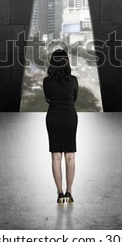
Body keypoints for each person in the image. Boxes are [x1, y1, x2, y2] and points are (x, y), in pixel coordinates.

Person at [43, 49, 78, 205]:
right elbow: (74, 98)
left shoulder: (47, 81)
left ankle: (59, 194)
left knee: (55, 157)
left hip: (53, 118)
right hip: (70, 117)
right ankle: (69, 193)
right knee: (70, 156)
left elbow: (48, 98)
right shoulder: (73, 80)